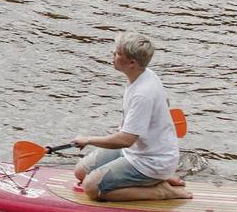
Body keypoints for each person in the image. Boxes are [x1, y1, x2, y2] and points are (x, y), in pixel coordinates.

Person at [72, 32, 191, 203]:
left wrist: (88, 140)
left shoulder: (143, 93)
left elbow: (126, 140)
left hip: (151, 162)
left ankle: (161, 191)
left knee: (91, 187)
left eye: (118, 53)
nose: (112, 54)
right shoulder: (146, 74)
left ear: (132, 63)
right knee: (80, 172)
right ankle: (159, 178)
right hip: (136, 151)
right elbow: (165, 102)